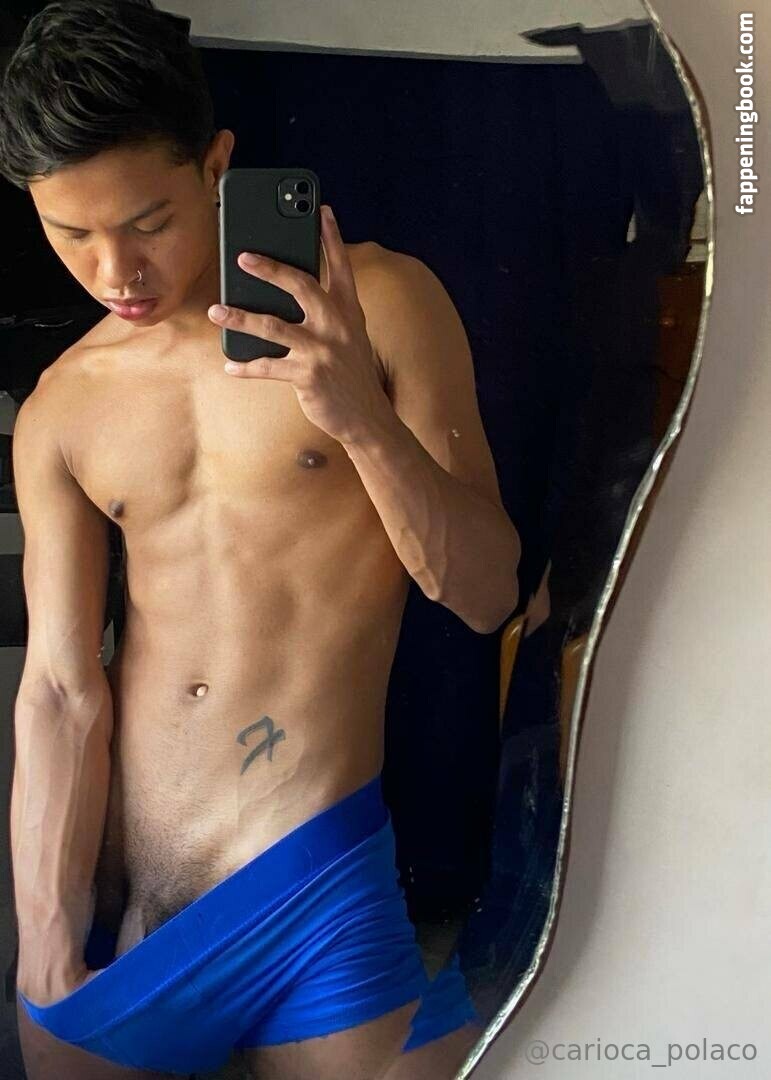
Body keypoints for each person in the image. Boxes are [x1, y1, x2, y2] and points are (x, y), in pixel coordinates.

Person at [0, 2, 520, 1077]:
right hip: (133, 911)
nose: (115, 271)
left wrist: (357, 417)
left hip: (316, 888)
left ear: (217, 165)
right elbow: (57, 689)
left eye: (146, 220)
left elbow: (484, 592)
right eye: (71, 234)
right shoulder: (62, 404)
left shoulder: (381, 303)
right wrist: (42, 939)